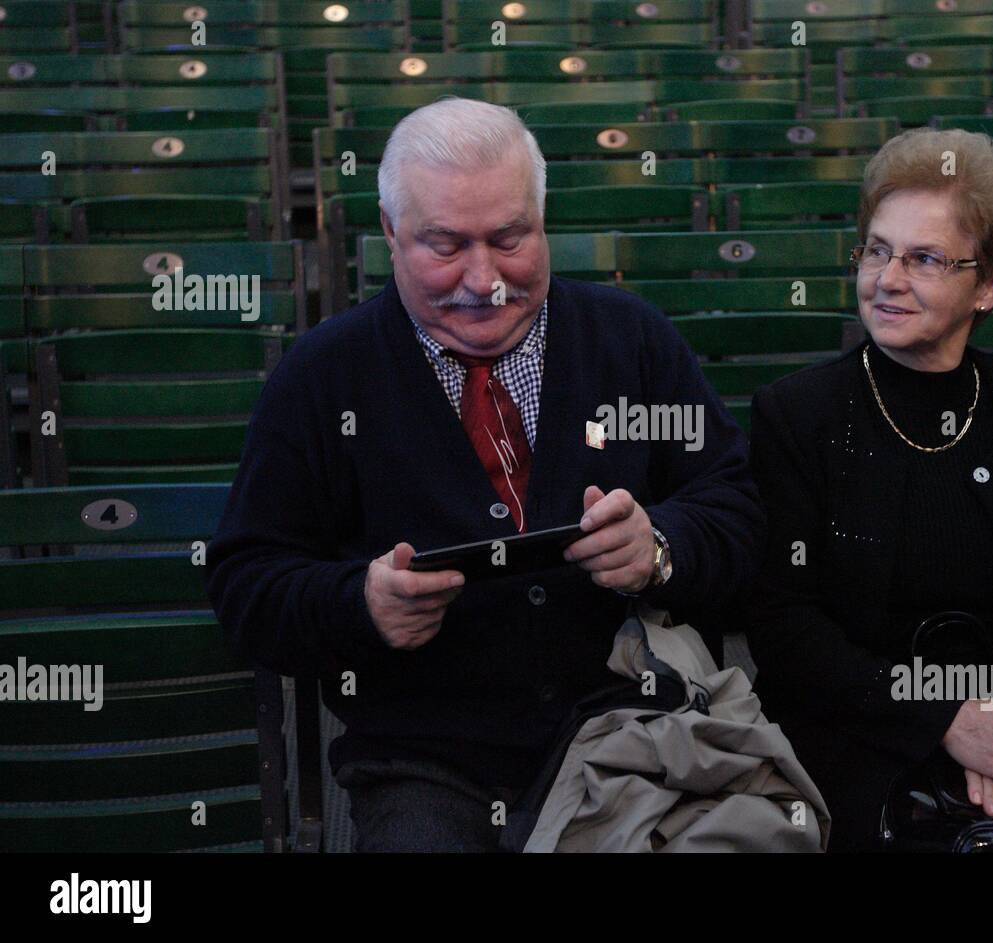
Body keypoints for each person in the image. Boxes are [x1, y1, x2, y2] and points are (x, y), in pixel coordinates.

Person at [205, 97, 764, 852]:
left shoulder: (631, 341)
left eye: (510, 239)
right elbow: (247, 585)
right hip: (425, 760)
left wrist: (659, 548)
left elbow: (737, 509)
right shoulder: (322, 378)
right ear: (391, 233)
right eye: (445, 245)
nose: (483, 279)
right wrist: (359, 603)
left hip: (632, 729)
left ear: (543, 220)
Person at [744, 127, 993, 852]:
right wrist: (950, 719)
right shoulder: (797, 414)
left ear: (988, 284)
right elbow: (783, 624)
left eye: (924, 259)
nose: (887, 279)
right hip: (865, 741)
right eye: (877, 250)